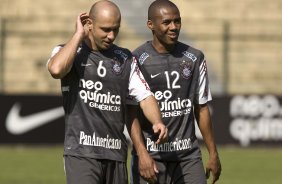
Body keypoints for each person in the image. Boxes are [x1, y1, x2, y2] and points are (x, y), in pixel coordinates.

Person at [47, 1, 168, 184]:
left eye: (116, 29)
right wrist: (79, 35)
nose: (111, 36)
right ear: (89, 24)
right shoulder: (67, 51)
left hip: (116, 154)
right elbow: (56, 70)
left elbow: (145, 96)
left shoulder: (125, 58)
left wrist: (157, 121)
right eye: (105, 29)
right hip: (82, 152)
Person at [129, 0, 222, 184]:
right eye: (166, 22)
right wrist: (141, 154)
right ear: (151, 25)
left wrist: (213, 153)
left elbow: (201, 108)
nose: (174, 27)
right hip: (152, 156)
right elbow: (131, 111)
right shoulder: (137, 59)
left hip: (188, 156)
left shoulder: (195, 57)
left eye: (177, 21)